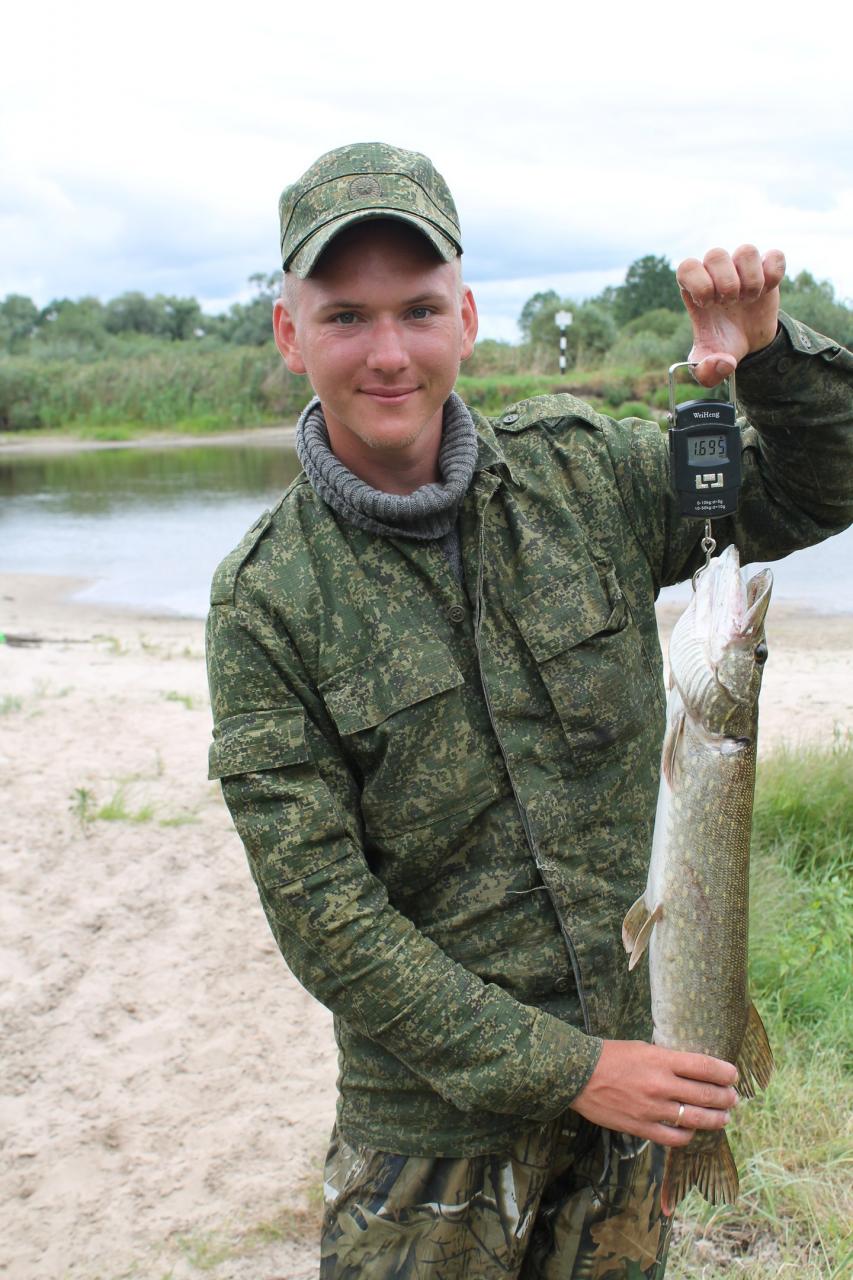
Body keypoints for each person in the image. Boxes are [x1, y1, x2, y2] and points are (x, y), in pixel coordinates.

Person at [205, 142, 852, 1278]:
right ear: (289, 334)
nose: (389, 351)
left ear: (464, 317)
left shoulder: (583, 475)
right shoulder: (264, 600)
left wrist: (765, 359)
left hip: (636, 1100)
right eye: (346, 316)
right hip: (431, 1139)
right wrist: (574, 1069)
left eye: (418, 309)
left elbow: (819, 483)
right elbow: (326, 919)